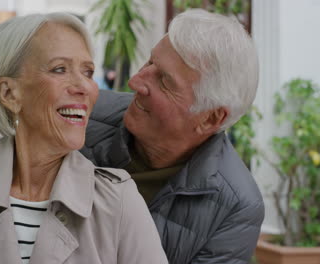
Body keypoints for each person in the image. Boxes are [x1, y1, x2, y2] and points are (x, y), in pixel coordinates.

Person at [0, 13, 167, 264]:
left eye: (87, 72)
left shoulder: (119, 200)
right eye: (60, 69)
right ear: (9, 93)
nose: (85, 87)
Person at [81, 9, 264, 264]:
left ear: (210, 118)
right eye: (150, 62)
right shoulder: (85, 114)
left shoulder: (235, 206)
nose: (135, 81)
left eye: (164, 81)